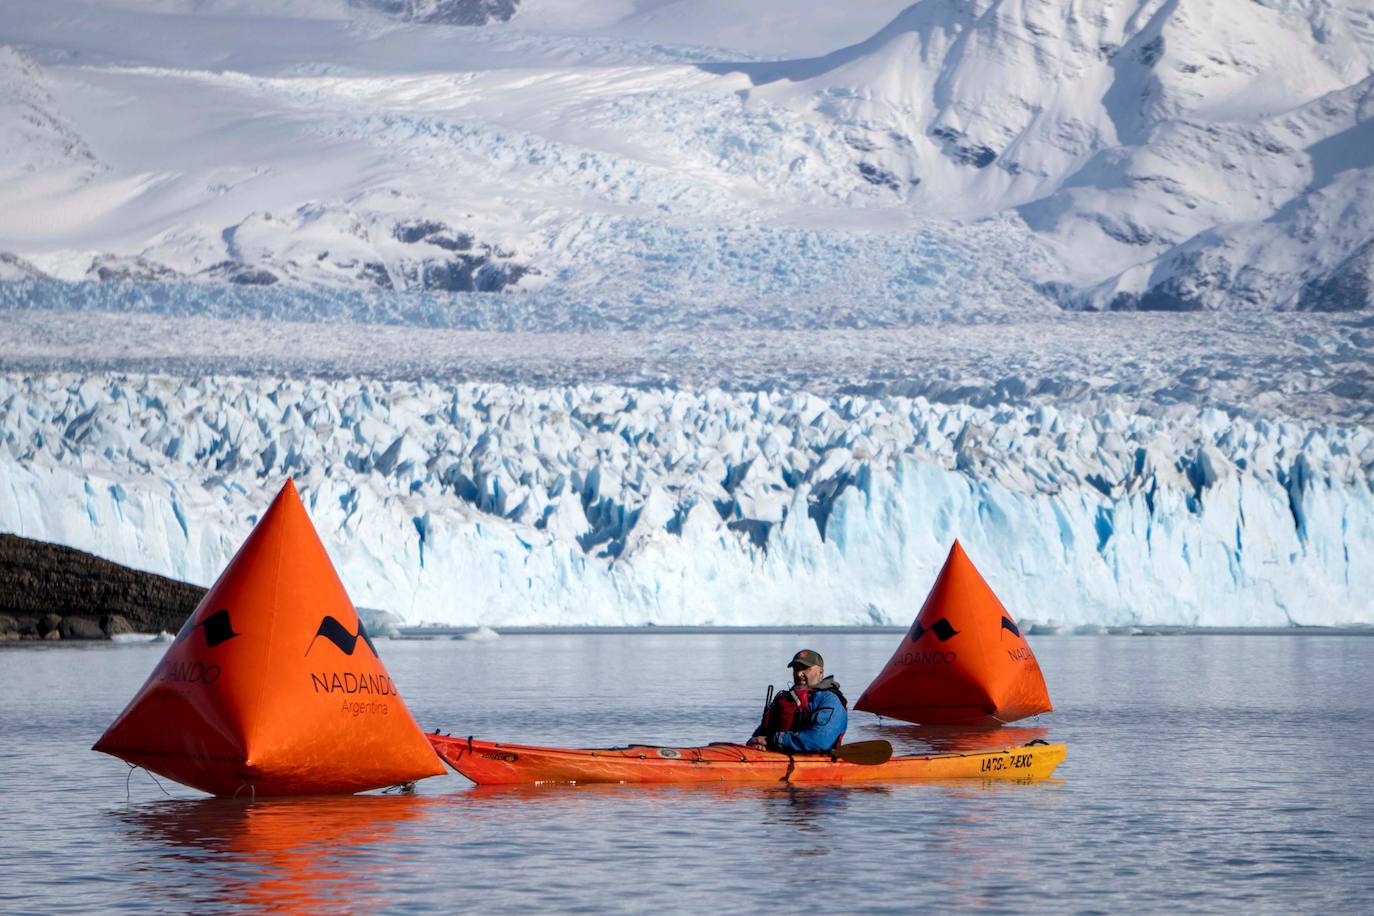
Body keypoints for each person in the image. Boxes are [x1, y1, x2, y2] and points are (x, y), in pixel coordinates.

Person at [747, 649, 847, 753]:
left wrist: (770, 741)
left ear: (820, 673)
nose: (799, 674)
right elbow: (758, 736)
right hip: (773, 756)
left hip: (813, 762)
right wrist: (757, 743)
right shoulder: (785, 699)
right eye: (796, 669)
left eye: (805, 669)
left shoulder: (829, 700)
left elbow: (820, 740)